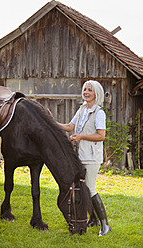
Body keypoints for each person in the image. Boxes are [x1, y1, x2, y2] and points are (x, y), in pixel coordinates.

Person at [49, 80, 111, 236]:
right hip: (80, 156)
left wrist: (81, 136)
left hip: (91, 157)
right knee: (83, 188)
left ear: (96, 93)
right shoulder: (82, 109)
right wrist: (53, 123)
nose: (86, 92)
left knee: (90, 189)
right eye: (85, 89)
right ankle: (94, 220)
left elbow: (101, 136)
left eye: (90, 90)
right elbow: (70, 127)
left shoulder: (99, 112)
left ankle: (105, 224)